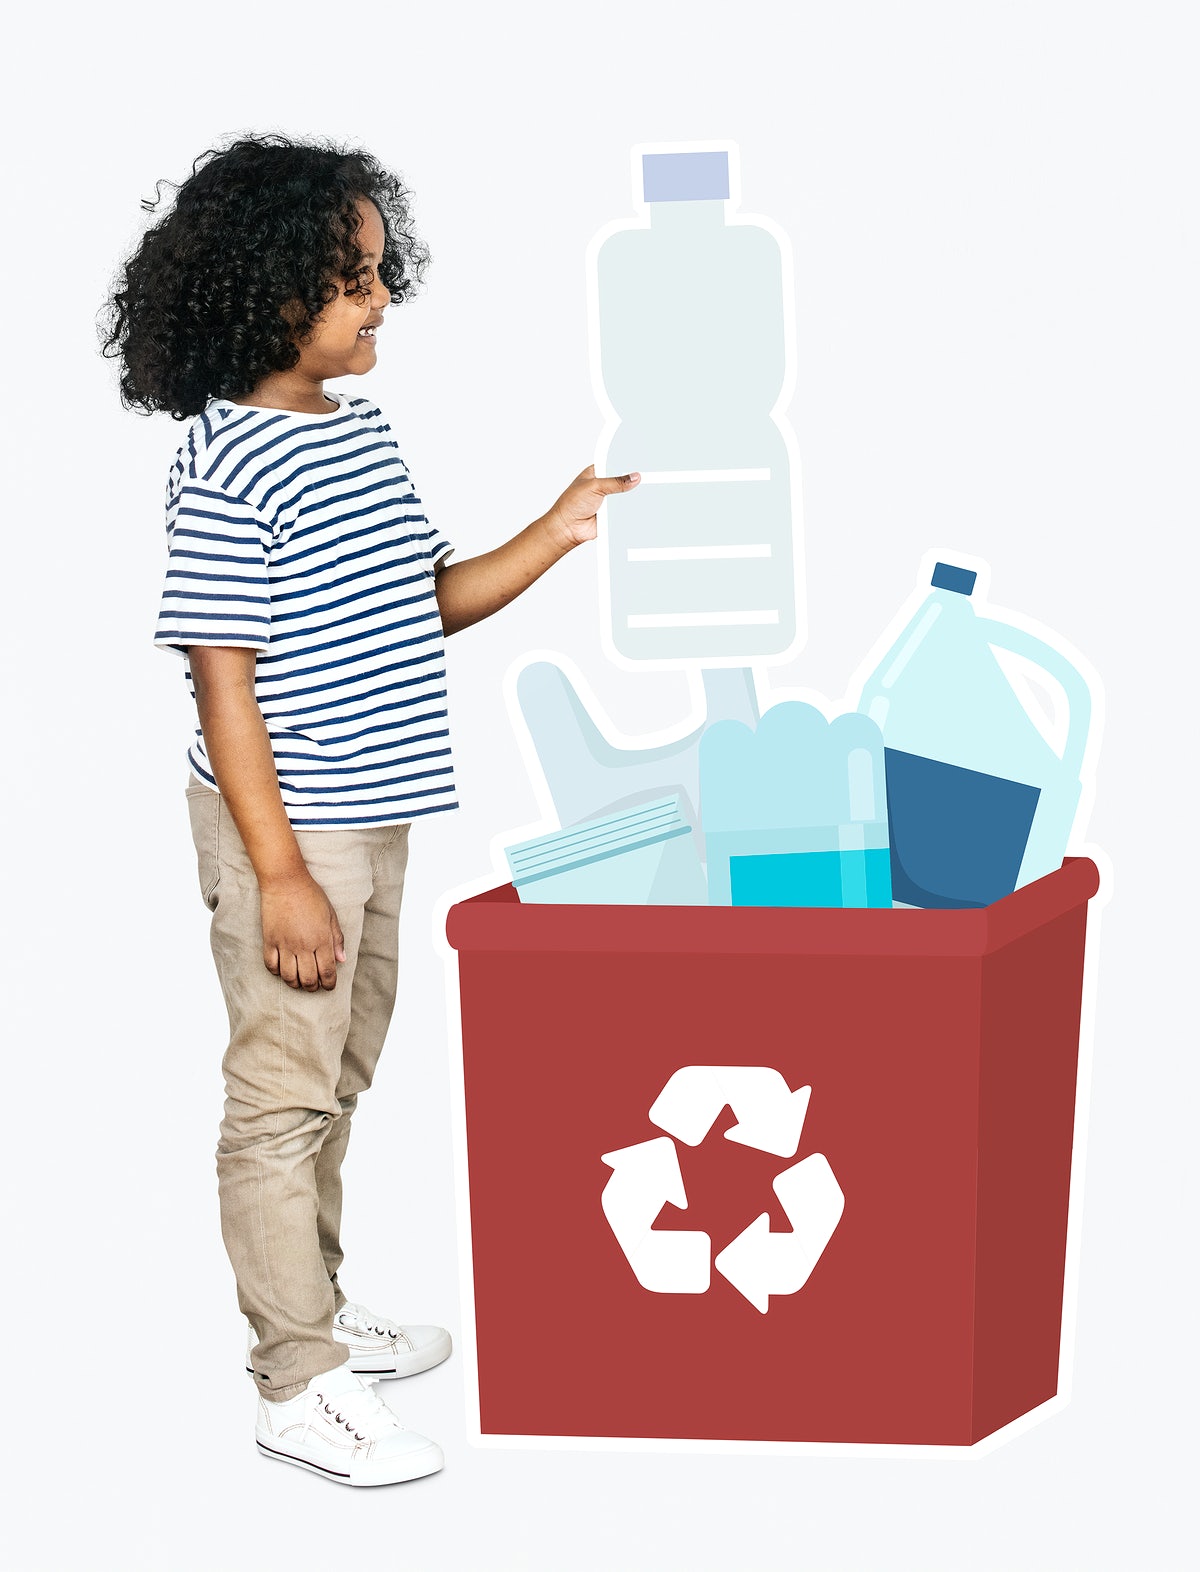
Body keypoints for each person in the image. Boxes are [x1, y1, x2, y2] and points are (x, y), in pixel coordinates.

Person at [102, 133, 639, 1488]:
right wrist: (278, 875)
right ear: (265, 293)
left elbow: (428, 604)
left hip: (375, 819)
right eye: (349, 279)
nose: (379, 297)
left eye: (378, 270)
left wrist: (554, 529)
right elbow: (225, 690)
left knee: (339, 1080)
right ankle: (299, 1382)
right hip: (291, 831)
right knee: (280, 1096)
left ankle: (320, 1313)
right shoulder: (229, 469)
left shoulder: (358, 433)